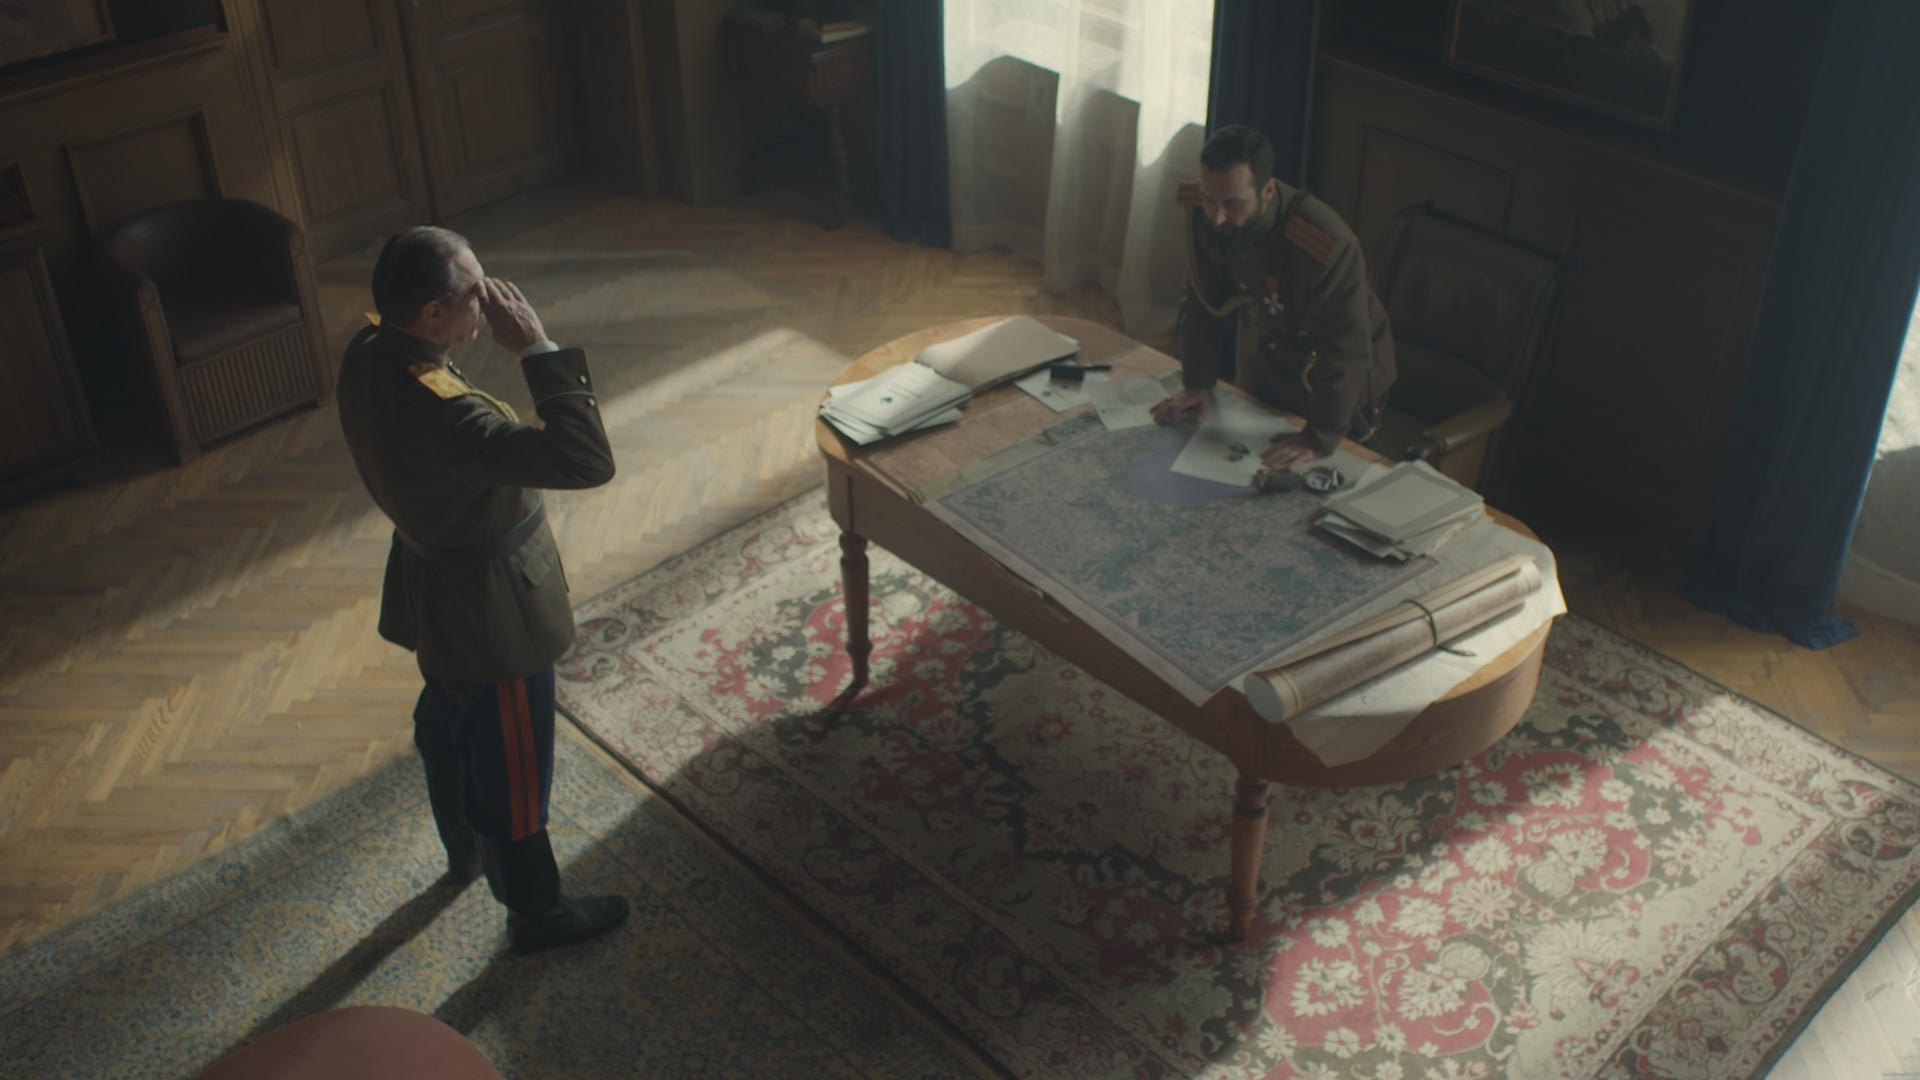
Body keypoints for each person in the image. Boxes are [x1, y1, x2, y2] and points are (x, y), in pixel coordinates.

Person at [335, 225, 628, 954]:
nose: (492, 301)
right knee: (515, 767)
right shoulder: (444, 416)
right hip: (494, 613)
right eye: (475, 292)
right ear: (431, 314)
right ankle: (537, 912)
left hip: (434, 589)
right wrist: (535, 348)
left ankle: (461, 848)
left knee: (447, 724)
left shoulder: (368, 352)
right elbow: (586, 460)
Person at [1151, 124, 1396, 469]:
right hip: (1266, 358)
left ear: (1267, 191)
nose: (1216, 217)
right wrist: (1197, 383)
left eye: (1232, 203)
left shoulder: (1324, 245)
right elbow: (1202, 301)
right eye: (1209, 199)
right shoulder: (1206, 210)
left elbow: (1346, 349)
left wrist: (1320, 437)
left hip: (1338, 382)